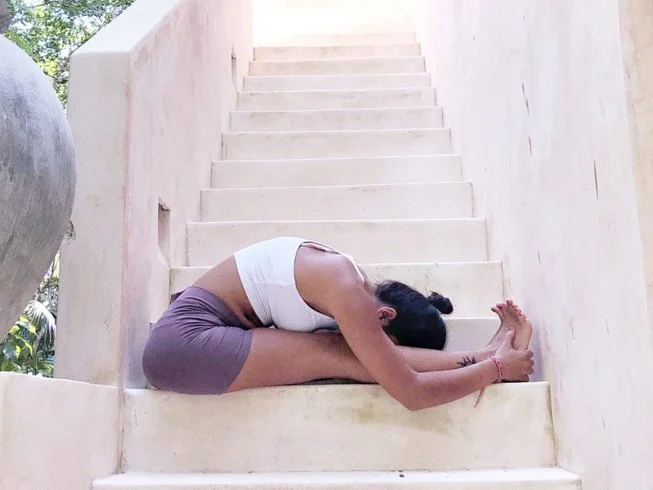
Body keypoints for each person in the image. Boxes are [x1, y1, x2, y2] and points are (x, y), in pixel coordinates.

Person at [142, 236, 534, 410]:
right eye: (387, 344)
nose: (382, 352)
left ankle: (485, 352)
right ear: (385, 316)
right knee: (339, 354)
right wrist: (495, 371)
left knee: (346, 353)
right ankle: (489, 357)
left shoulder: (348, 275)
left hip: (200, 336)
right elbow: (412, 393)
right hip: (182, 348)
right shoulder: (348, 293)